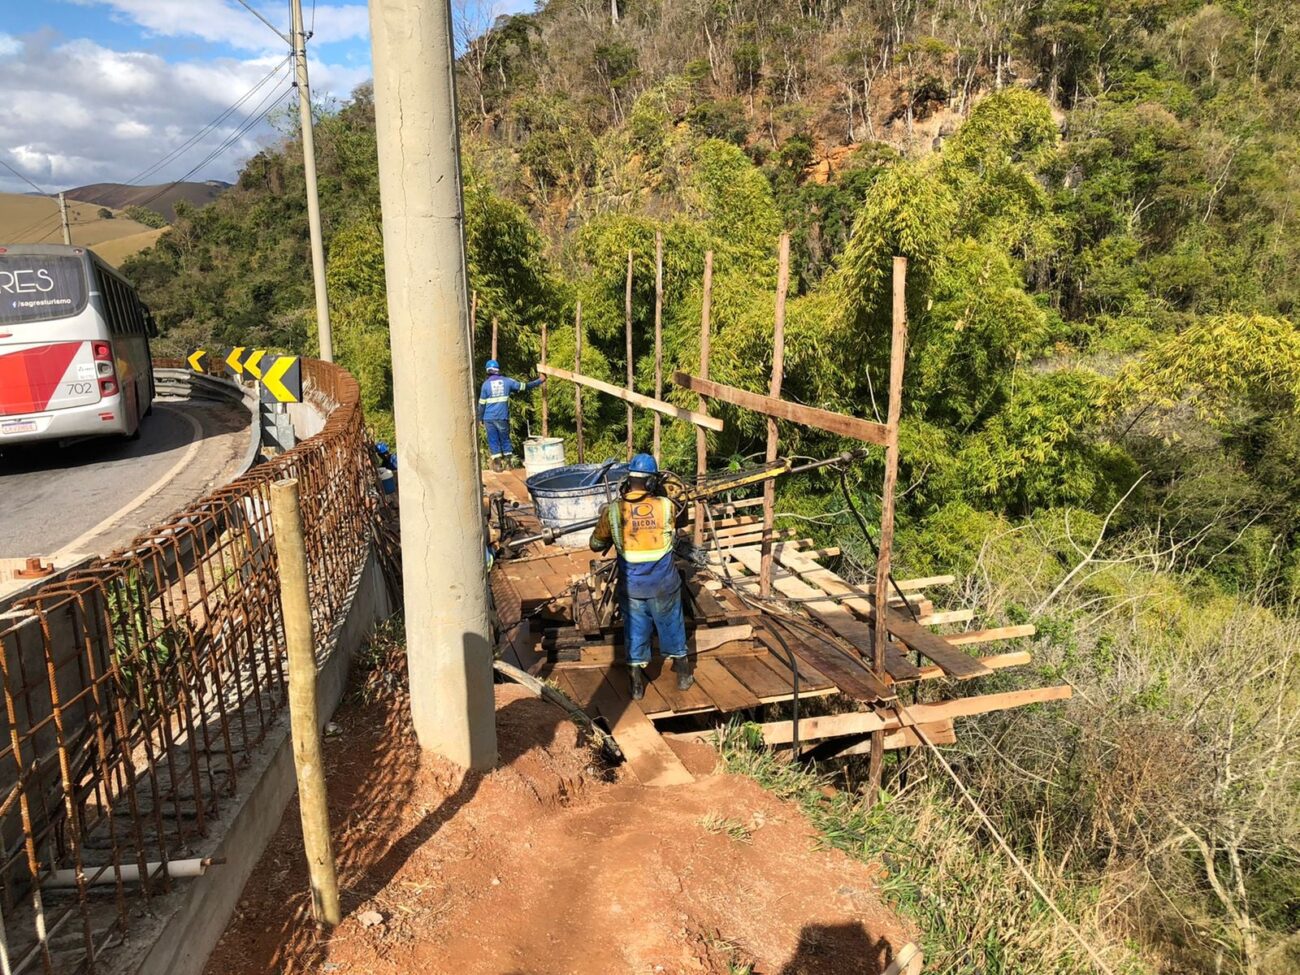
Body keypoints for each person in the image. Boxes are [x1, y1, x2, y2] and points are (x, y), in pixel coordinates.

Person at [589, 453, 692, 699]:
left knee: (635, 632)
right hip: (664, 585)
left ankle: (636, 685)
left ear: (628, 480)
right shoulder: (666, 507)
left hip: (633, 588)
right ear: (651, 483)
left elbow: (595, 544)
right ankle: (684, 676)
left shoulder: (613, 511)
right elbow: (682, 519)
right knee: (672, 627)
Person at [476, 359, 545, 471]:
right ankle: (508, 464)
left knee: (493, 440)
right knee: (505, 439)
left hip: (489, 418)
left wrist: (480, 418)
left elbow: (481, 404)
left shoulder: (485, 385)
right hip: (502, 417)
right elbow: (524, 386)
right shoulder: (507, 382)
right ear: (498, 370)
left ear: (487, 371)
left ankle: (498, 466)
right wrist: (540, 380)